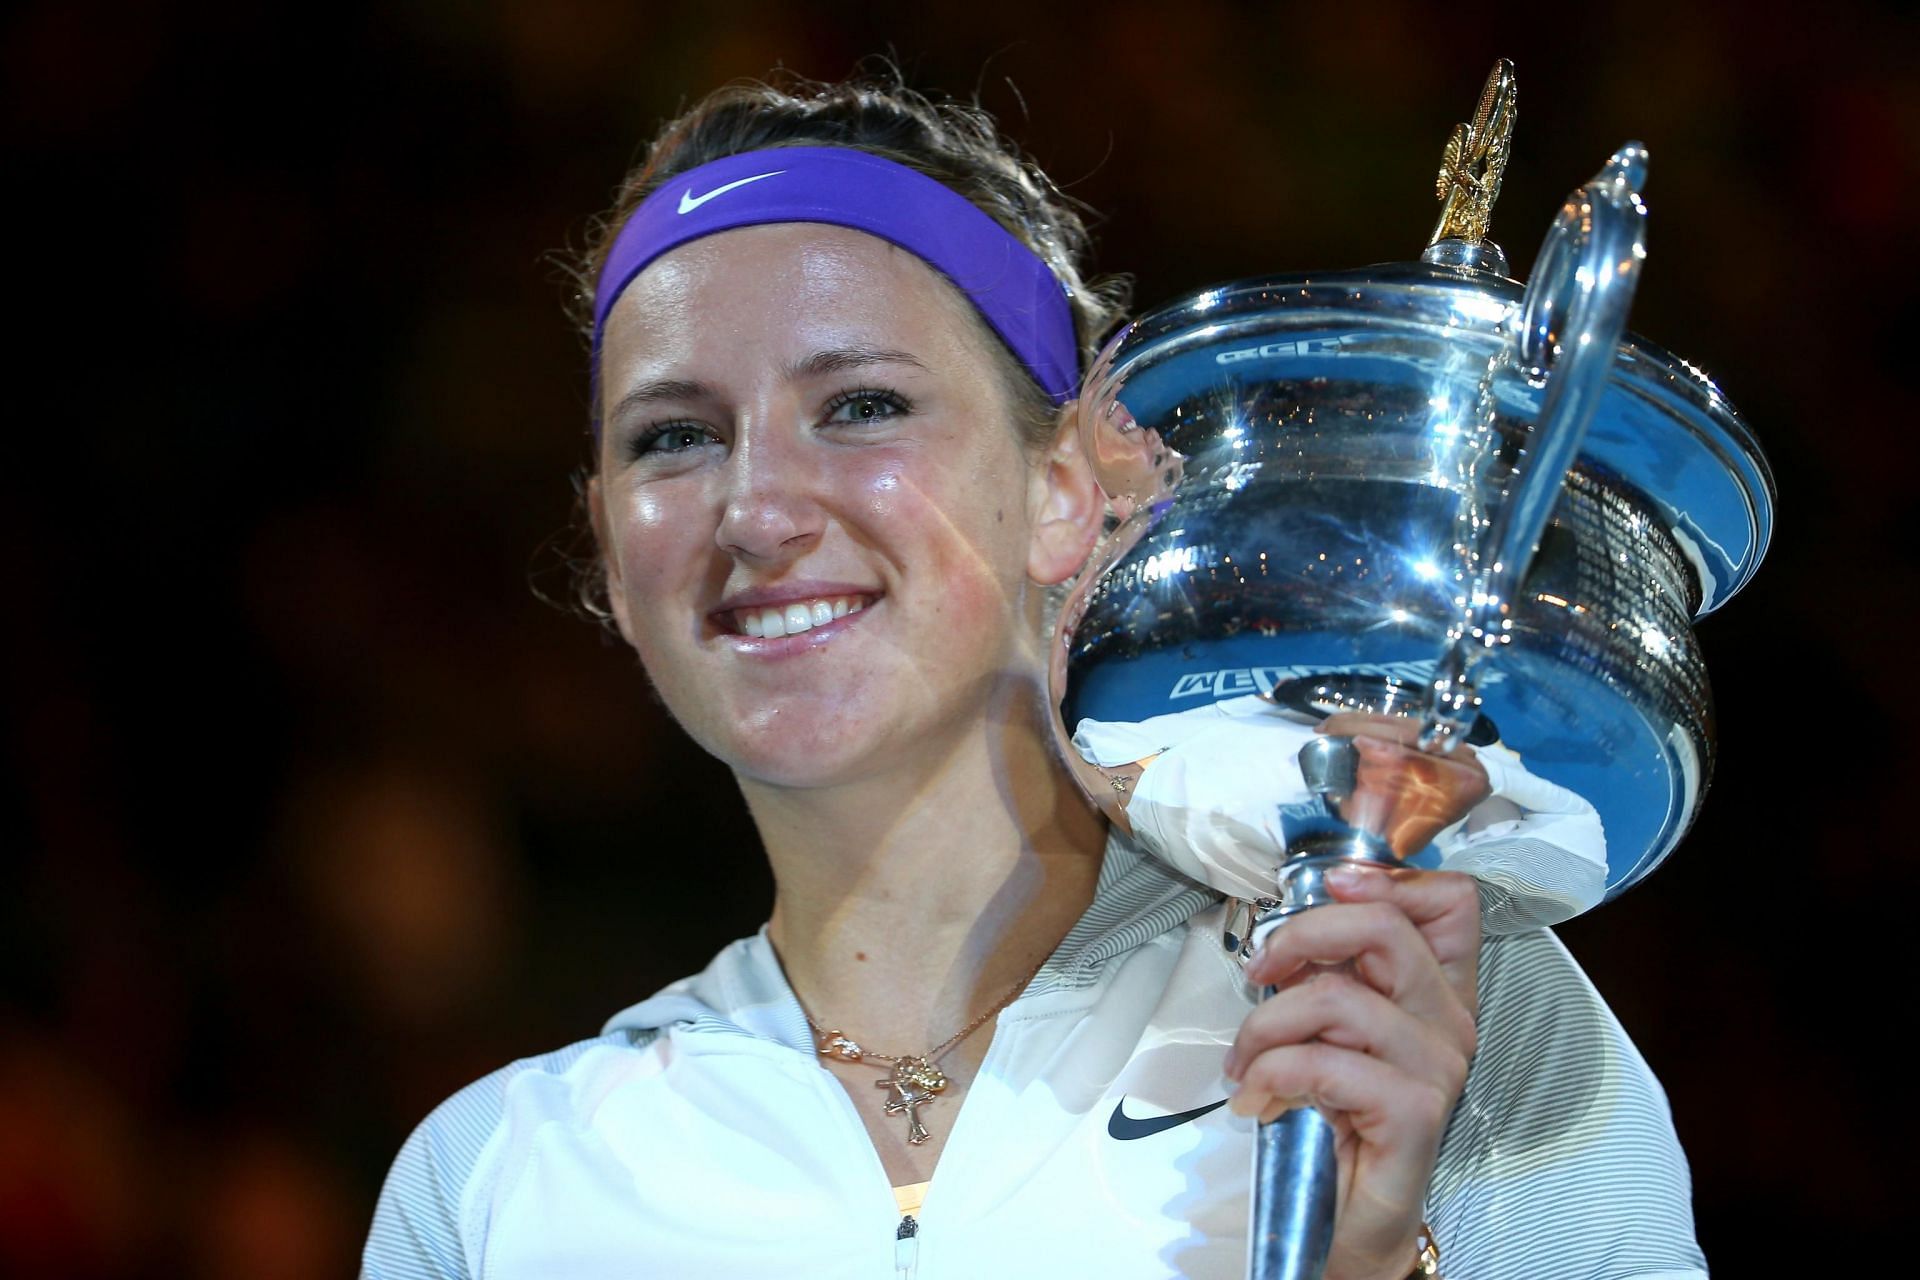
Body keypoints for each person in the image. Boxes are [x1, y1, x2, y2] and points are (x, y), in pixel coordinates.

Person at [364, 73, 1705, 1280]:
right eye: (673, 437)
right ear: (607, 548)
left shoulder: (1411, 1009)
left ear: (1066, 487)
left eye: (863, 405)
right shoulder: (492, 1184)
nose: (757, 509)